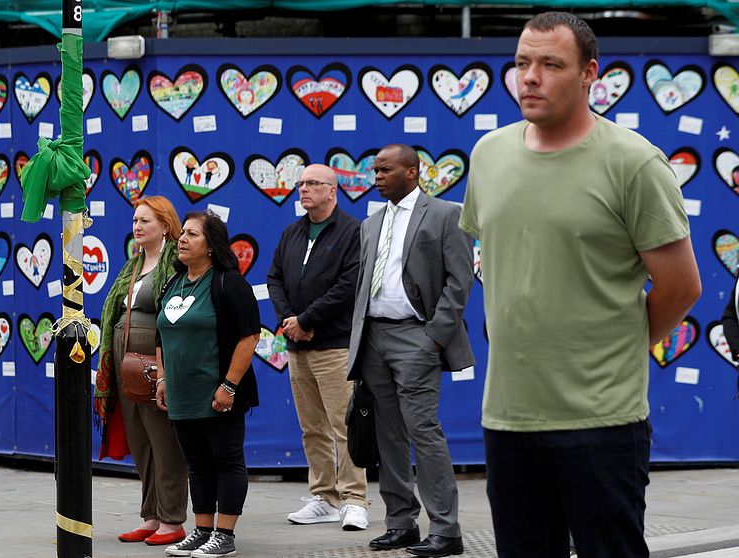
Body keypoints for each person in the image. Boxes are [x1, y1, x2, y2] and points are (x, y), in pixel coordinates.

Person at [461, 12, 702, 558]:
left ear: (590, 73)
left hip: (602, 420)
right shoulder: (489, 155)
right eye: (522, 63)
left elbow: (682, 287)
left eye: (551, 64)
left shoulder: (634, 164)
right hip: (508, 416)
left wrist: (616, 347)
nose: (530, 77)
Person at [347, 144, 474, 556]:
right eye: (374, 170)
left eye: (385, 169)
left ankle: (446, 529)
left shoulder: (444, 214)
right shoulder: (371, 222)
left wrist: (434, 337)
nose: (377, 176)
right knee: (388, 436)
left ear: (412, 172)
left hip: (417, 336)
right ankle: (401, 524)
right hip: (375, 338)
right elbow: (365, 284)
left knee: (423, 429)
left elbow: (459, 280)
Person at [266, 164, 369, 530]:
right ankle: (324, 496)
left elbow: (349, 283)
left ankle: (355, 499)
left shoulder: (353, 231)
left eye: (312, 183)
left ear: (332, 190)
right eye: (301, 184)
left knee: (344, 426)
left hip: (333, 346)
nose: (303, 189)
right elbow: (274, 278)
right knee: (312, 427)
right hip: (297, 347)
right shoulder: (292, 232)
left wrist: (307, 320)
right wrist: (288, 320)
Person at [155, 211, 260, 558]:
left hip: (218, 392)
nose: (182, 239)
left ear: (211, 245)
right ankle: (201, 530)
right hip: (181, 392)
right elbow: (161, 335)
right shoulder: (174, 283)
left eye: (193, 235)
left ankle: (224, 535)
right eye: (182, 233)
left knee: (226, 460)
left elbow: (249, 337)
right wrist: (163, 378)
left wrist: (229, 385)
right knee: (196, 463)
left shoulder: (229, 283)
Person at [95, 195, 189, 546]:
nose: (137, 226)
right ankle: (151, 516)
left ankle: (172, 519)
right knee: (139, 439)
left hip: (154, 360)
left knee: (163, 440)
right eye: (135, 220)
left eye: (145, 221)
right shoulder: (132, 264)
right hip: (125, 361)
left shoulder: (174, 263)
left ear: (165, 226)